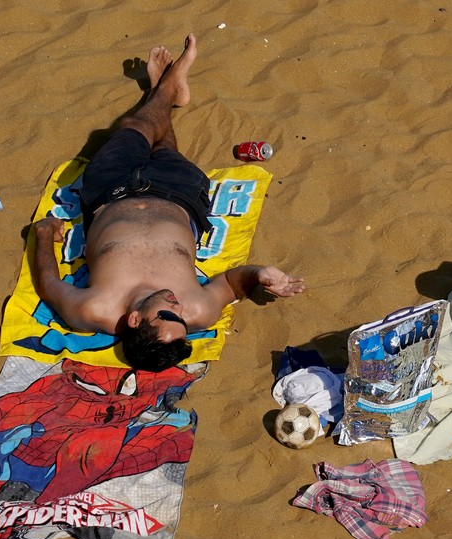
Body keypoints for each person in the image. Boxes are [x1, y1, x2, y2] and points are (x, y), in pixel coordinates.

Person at [30, 34, 305, 372]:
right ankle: (168, 88)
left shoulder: (94, 310)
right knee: (165, 149)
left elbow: (49, 285)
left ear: (133, 320)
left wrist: (44, 233)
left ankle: (166, 88)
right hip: (180, 194)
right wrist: (260, 273)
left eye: (166, 315)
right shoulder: (197, 311)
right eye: (180, 320)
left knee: (133, 126)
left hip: (111, 190)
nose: (176, 305)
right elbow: (234, 283)